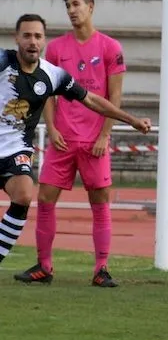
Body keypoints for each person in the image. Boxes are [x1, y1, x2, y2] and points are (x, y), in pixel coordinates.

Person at [0, 14, 150, 271]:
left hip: (16, 151)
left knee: (24, 194)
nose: (32, 41)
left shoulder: (52, 75)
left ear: (44, 40)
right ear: (17, 38)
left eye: (37, 36)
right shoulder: (3, 61)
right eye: (26, 36)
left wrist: (131, 120)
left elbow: (91, 99)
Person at [15, 0, 127, 287]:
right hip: (63, 140)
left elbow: (114, 97)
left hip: (94, 143)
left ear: (90, 7)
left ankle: (101, 269)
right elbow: (48, 94)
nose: (71, 10)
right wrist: (51, 129)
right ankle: (44, 266)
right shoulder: (56, 49)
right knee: (45, 198)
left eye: (76, 4)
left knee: (100, 202)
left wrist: (105, 134)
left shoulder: (110, 48)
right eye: (67, 6)